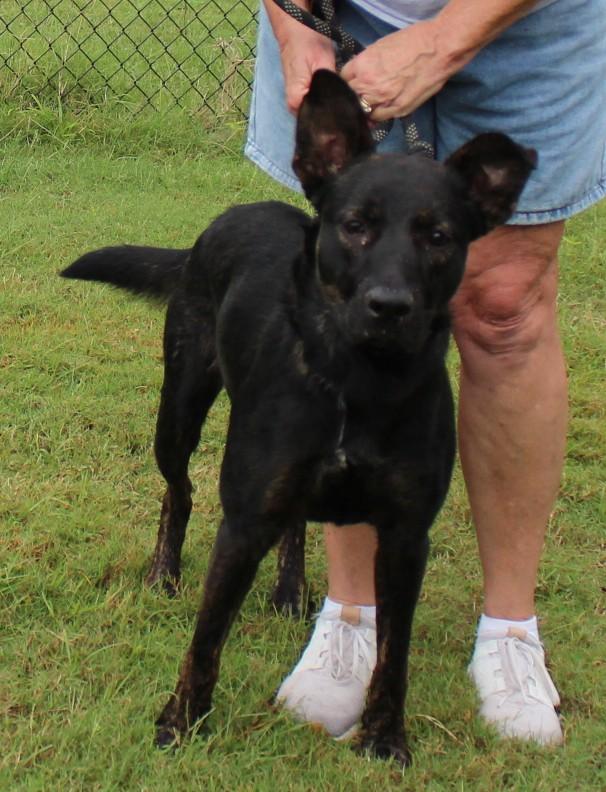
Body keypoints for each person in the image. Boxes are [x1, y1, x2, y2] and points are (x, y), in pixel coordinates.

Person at [245, 0, 606, 745]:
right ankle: (351, 616)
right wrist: (295, 22)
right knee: (352, 298)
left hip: (532, 23)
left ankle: (510, 631)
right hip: (347, 15)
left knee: (505, 308)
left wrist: (444, 41)